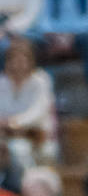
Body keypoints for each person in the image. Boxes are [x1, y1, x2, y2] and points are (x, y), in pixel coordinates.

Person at [0, 38, 55, 171]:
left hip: (35, 135)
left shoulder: (40, 80)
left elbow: (38, 111)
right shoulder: (2, 82)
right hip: (5, 135)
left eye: (23, 59)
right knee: (17, 149)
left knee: (23, 150)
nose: (18, 64)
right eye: (14, 59)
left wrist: (15, 122)